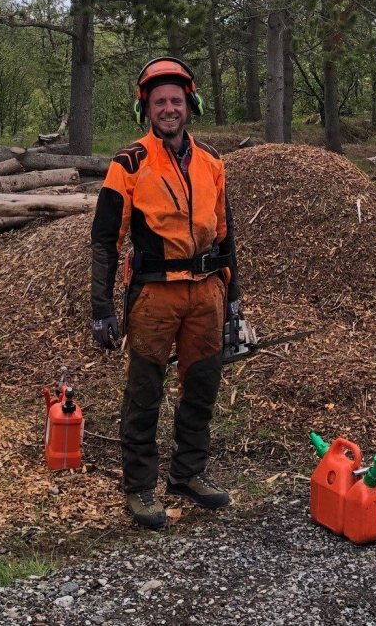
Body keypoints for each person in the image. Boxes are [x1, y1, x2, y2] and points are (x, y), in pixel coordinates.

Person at [89, 57, 241, 530]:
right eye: (160, 102)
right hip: (154, 294)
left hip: (207, 292)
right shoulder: (128, 164)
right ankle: (139, 485)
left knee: (202, 387)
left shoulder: (213, 161)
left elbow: (226, 234)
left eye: (176, 100)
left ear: (189, 104)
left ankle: (187, 473)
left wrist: (235, 299)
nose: (169, 108)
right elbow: (104, 239)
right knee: (145, 391)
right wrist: (101, 308)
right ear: (146, 108)